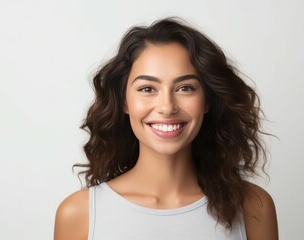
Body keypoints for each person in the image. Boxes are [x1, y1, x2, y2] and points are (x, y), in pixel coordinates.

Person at [54, 17, 278, 240]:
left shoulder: (253, 207)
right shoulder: (79, 214)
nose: (167, 107)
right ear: (124, 102)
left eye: (185, 88)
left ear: (207, 101)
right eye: (147, 89)